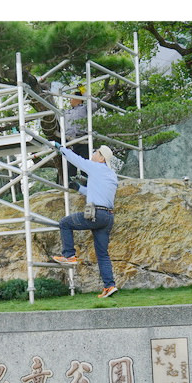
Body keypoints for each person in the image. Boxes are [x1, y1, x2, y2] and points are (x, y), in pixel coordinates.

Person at [51, 141, 119, 298]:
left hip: (96, 214)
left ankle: (69, 255)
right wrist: (78, 188)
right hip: (108, 217)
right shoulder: (111, 175)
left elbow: (77, 160)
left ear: (102, 158)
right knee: (102, 254)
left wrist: (60, 148)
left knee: (65, 223)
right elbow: (96, 193)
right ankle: (109, 286)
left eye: (96, 153)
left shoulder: (95, 167)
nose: (93, 154)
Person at [62, 91, 94, 181]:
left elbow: (94, 105)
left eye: (71, 98)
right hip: (71, 140)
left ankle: (87, 185)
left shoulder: (85, 108)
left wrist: (83, 91)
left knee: (85, 164)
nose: (70, 100)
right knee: (70, 166)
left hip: (83, 139)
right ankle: (71, 186)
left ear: (78, 99)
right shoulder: (66, 112)